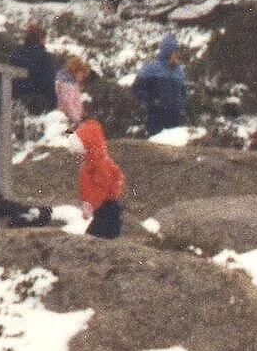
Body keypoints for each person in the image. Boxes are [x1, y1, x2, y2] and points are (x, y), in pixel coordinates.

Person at [75, 107, 124, 239]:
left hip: (106, 206)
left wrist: (90, 203)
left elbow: (101, 187)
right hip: (100, 207)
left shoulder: (100, 164)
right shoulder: (89, 163)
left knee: (96, 236)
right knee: (98, 236)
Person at [7, 22, 55, 143]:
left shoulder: (15, 53)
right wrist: (53, 104)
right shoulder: (44, 57)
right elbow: (48, 83)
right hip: (37, 102)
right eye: (45, 39)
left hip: (14, 100)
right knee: (63, 127)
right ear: (41, 39)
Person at [132, 34, 188, 135]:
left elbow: (183, 92)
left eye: (177, 52)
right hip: (156, 118)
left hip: (175, 118)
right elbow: (136, 89)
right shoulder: (151, 68)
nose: (177, 55)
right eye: (175, 52)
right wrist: (152, 100)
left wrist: (180, 105)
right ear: (167, 52)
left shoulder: (179, 71)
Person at [55, 52, 90, 124]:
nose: (82, 78)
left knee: (72, 134)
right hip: (69, 120)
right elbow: (69, 104)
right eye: (82, 74)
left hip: (73, 118)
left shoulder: (73, 83)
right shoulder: (67, 85)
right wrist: (77, 120)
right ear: (75, 71)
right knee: (69, 134)